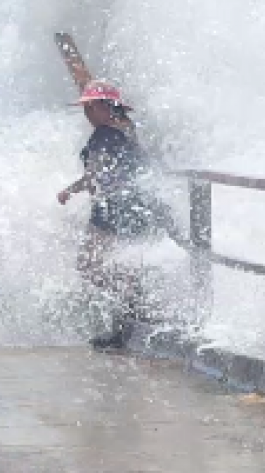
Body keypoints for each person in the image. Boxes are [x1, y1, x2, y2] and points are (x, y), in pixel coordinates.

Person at [57, 80, 179, 350]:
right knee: (119, 266)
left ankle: (132, 308)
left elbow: (95, 175)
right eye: (85, 108)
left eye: (90, 107)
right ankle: (130, 315)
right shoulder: (127, 130)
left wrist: (69, 190)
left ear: (105, 107)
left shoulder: (103, 134)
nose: (87, 114)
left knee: (88, 266)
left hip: (112, 206)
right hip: (136, 205)